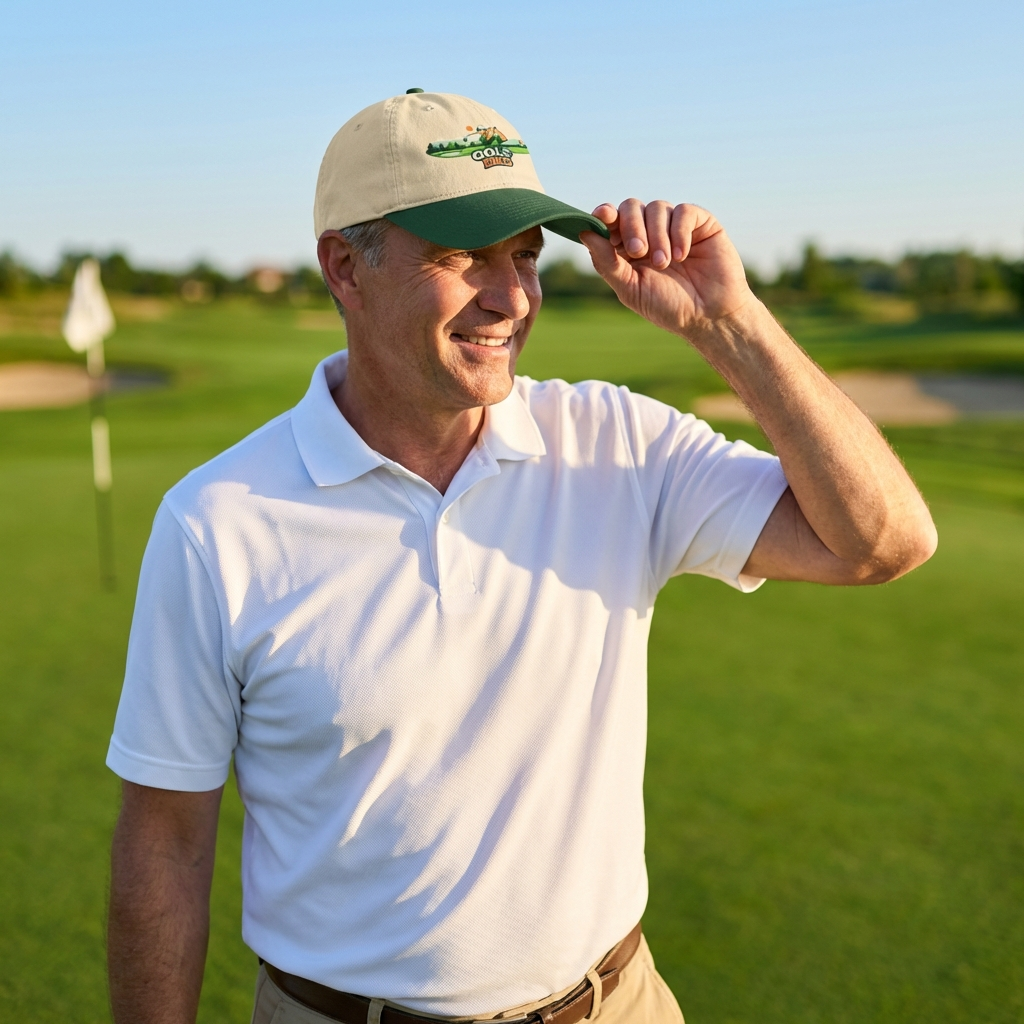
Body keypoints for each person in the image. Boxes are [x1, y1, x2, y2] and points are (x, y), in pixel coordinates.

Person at [105, 91, 937, 1024]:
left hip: (616, 1003)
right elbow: (165, 841)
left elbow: (886, 543)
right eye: (461, 258)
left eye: (525, 256)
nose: (510, 297)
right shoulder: (217, 522)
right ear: (346, 266)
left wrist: (724, 323)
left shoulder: (618, 443)